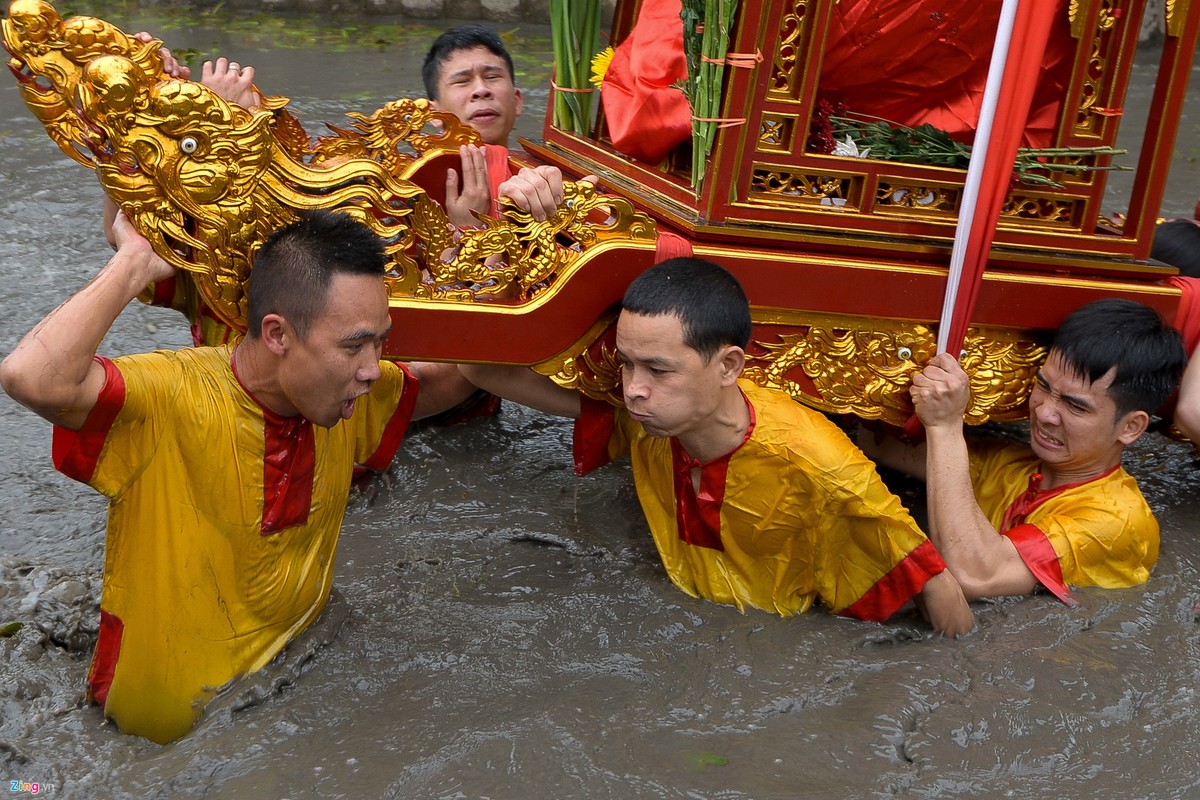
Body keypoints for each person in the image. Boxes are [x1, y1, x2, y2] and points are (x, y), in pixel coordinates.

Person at [0, 209, 473, 744]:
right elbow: (30, 377)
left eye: (381, 343)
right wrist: (132, 265)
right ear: (276, 334)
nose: (371, 368)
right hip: (153, 746)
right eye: (353, 346)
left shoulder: (345, 395)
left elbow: (460, 375)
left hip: (292, 690)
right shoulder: (166, 398)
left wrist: (487, 256)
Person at [460, 257, 975, 636]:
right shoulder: (646, 417)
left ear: (729, 366)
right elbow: (479, 367)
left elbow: (938, 585)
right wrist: (495, 276)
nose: (633, 387)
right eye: (626, 363)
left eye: (658, 369)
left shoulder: (820, 467)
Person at [862, 299, 1187, 605]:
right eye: (1043, 386)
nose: (1045, 413)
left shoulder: (1118, 522)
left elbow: (976, 577)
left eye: (1075, 406)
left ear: (1130, 427)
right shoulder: (1011, 463)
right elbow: (876, 443)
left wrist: (946, 426)